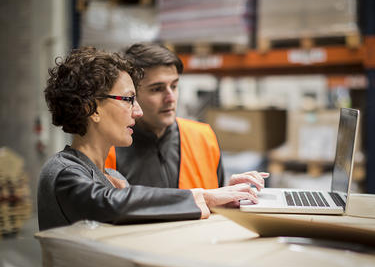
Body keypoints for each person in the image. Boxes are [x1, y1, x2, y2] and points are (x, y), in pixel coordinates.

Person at [37, 47, 265, 231]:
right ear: (91, 109)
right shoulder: (63, 172)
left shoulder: (113, 177)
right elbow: (110, 204)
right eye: (128, 99)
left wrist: (221, 196)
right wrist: (202, 196)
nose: (137, 111)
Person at [105, 43, 268, 190]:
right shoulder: (109, 150)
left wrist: (229, 193)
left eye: (174, 86)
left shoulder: (202, 137)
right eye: (157, 89)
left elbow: (214, 205)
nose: (171, 97)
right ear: (132, 95)